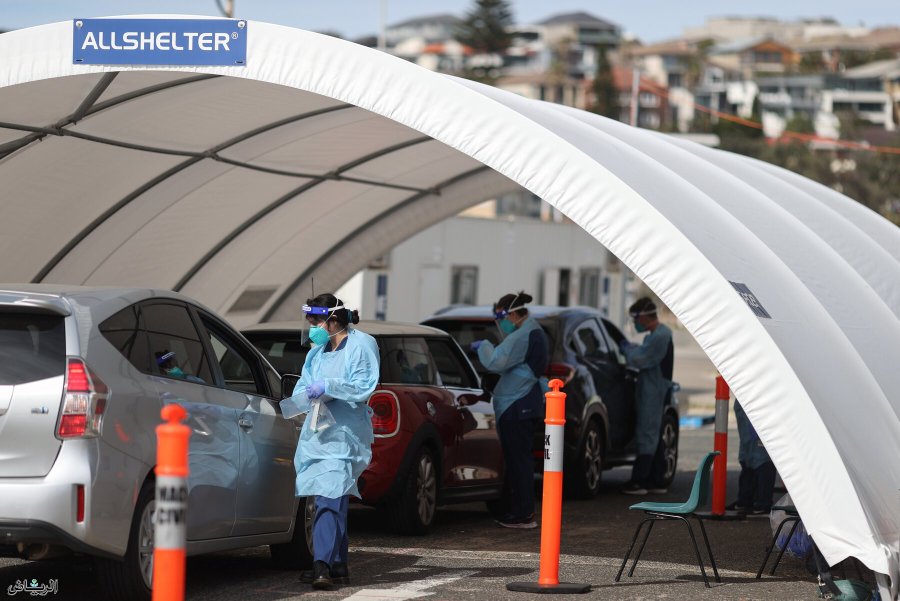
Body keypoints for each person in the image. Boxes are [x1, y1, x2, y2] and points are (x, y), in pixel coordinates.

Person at [280, 293, 379, 590]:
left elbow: (364, 385)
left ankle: (321, 564)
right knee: (333, 501)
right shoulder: (317, 351)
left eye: (316, 321)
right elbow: (302, 386)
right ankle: (338, 564)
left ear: (332, 319)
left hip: (345, 436)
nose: (313, 328)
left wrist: (330, 386)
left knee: (328, 498)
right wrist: (298, 399)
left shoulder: (362, 345)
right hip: (318, 435)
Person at [470, 291, 548, 529]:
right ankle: (520, 510)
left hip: (518, 406)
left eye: (500, 316)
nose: (500, 322)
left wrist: (483, 345)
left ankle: (523, 513)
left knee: (519, 462)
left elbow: (496, 362)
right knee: (519, 462)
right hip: (521, 404)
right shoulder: (532, 331)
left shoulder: (523, 335)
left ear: (512, 313)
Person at [619, 297, 672, 495]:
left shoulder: (660, 336)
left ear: (644, 317)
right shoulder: (655, 335)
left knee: (647, 434)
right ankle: (656, 480)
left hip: (653, 392)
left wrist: (627, 349)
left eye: (635, 319)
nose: (635, 324)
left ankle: (640, 481)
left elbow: (642, 359)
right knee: (654, 435)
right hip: (652, 389)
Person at [728, 398, 776, 516]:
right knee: (747, 457)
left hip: (758, 404)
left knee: (762, 458)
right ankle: (745, 500)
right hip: (748, 404)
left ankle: (763, 502)